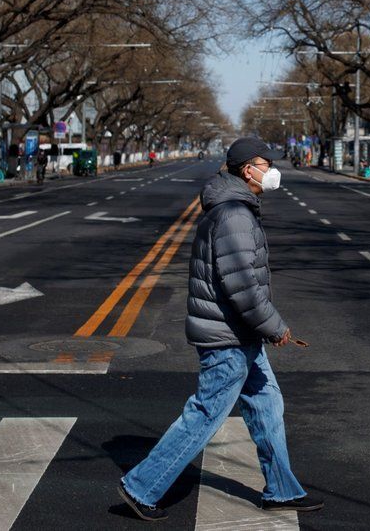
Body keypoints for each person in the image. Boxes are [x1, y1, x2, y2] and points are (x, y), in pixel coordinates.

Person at [117, 137, 323, 522]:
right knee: (205, 414)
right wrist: (275, 327)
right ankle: (141, 487)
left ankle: (281, 490)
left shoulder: (236, 208)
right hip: (228, 337)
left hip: (240, 335)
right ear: (249, 170)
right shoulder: (234, 215)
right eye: (267, 164)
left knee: (267, 405)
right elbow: (242, 284)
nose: (272, 171)